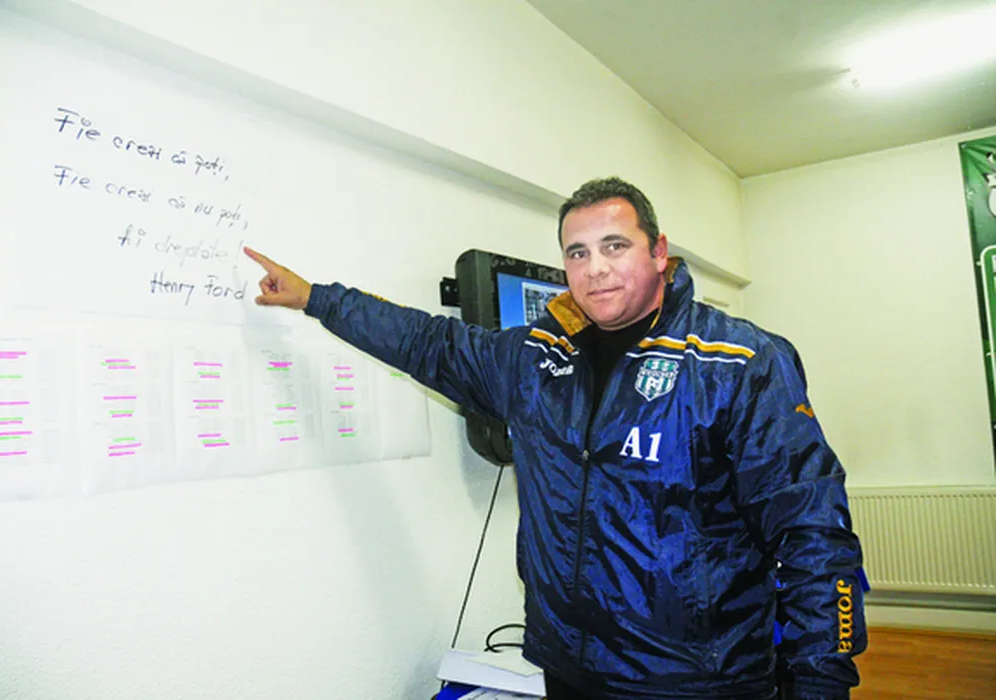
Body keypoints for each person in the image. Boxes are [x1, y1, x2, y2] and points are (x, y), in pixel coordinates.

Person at [244, 177, 867, 700]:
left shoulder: (739, 362)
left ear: (659, 252)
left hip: (693, 680)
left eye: (615, 245)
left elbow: (813, 532)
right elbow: (427, 342)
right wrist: (317, 299)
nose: (595, 268)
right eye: (577, 253)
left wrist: (821, 682)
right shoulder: (536, 361)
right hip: (566, 666)